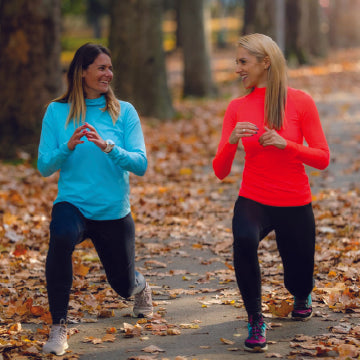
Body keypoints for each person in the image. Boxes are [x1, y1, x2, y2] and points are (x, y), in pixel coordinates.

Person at [213, 34, 330, 353]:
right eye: (237, 61)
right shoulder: (237, 107)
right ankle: (255, 318)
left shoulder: (301, 101)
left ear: (265, 62)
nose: (237, 68)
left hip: (294, 200)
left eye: (243, 62)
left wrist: (287, 145)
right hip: (254, 197)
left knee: (300, 275)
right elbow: (220, 170)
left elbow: (322, 157)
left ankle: (302, 292)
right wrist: (232, 140)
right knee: (244, 240)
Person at [38, 43, 153, 356]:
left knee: (122, 285)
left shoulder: (123, 111)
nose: (108, 74)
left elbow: (141, 164)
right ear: (82, 71)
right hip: (73, 204)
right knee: (60, 235)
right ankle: (59, 327)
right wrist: (67, 147)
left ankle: (139, 286)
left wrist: (109, 147)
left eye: (110, 68)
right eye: (102, 68)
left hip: (113, 211)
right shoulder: (56, 111)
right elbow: (44, 166)